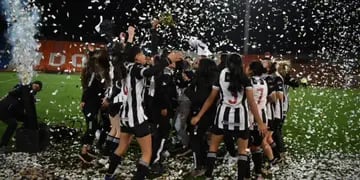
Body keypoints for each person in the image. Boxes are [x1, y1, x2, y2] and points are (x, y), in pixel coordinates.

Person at [104, 38, 183, 179]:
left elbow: (127, 55)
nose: (144, 56)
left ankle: (109, 175)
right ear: (135, 57)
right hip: (137, 117)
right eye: (141, 54)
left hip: (125, 116)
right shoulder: (136, 68)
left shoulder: (124, 65)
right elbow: (150, 72)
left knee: (121, 147)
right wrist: (167, 60)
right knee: (147, 153)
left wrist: (130, 38)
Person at [191, 53, 267, 180]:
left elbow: (211, 98)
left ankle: (208, 176)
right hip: (241, 119)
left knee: (213, 148)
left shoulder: (221, 74)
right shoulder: (244, 77)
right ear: (240, 63)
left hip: (222, 117)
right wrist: (260, 123)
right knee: (243, 151)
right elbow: (251, 103)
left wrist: (199, 116)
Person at [186, 58, 218, 176]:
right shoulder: (215, 77)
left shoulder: (203, 80)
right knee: (203, 138)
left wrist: (188, 92)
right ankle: (206, 162)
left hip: (201, 112)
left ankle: (199, 165)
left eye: (198, 64)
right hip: (211, 112)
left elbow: (201, 98)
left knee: (195, 138)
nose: (196, 65)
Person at [79, 47, 111, 163]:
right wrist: (83, 100)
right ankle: (84, 152)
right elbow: (88, 88)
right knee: (91, 127)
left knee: (94, 126)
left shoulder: (98, 73)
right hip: (90, 104)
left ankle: (88, 148)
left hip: (92, 104)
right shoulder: (96, 74)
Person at [0, 80, 42, 152]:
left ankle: (23, 137)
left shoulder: (29, 94)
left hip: (13, 111)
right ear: (32, 84)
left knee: (27, 119)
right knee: (13, 124)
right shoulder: (24, 88)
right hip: (4, 110)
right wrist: (24, 87)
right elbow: (14, 92)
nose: (35, 88)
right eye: (35, 86)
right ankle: (2, 145)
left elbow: (25, 103)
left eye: (37, 88)